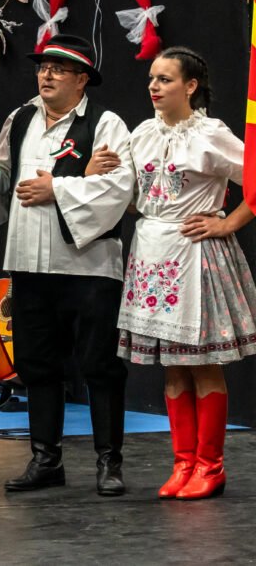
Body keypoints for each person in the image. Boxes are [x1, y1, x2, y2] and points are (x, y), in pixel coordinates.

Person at [92, 47, 256, 500]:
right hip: (151, 253)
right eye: (152, 78)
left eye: (165, 79)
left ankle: (210, 465)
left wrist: (226, 222)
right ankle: (183, 463)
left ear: (190, 86)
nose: (154, 86)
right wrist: (96, 172)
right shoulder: (142, 133)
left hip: (195, 256)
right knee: (172, 366)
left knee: (201, 363)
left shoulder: (210, 134)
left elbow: (254, 178)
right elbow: (132, 198)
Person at [0, 34, 134, 496]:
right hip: (29, 261)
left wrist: (58, 188)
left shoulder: (105, 124)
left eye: (58, 68)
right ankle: (46, 459)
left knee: (100, 365)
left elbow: (120, 187)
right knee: (36, 363)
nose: (46, 74)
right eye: (43, 66)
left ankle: (109, 462)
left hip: (89, 266)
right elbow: (1, 179)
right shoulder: (20, 119)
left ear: (82, 79)